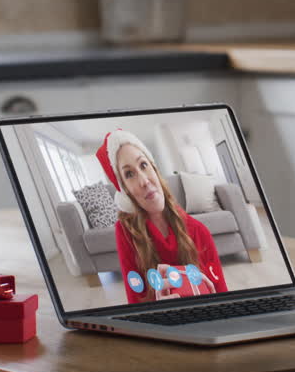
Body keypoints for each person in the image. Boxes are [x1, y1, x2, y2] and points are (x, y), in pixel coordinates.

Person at [95, 129, 227, 304]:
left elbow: (223, 298)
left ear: (155, 170)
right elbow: (136, 303)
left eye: (143, 165)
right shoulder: (126, 232)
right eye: (129, 174)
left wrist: (208, 297)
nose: (144, 181)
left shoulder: (199, 231)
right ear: (126, 192)